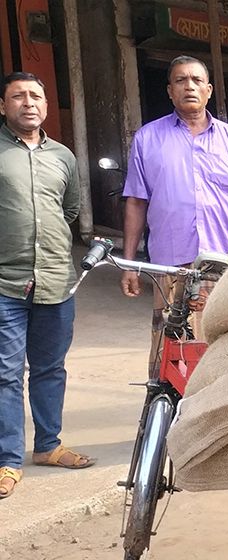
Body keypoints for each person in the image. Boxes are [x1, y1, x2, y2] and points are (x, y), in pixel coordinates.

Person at [121, 55, 228, 361]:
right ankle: (163, 408)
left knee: (222, 353)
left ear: (209, 90)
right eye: (180, 80)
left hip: (222, 268)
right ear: (169, 91)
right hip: (170, 268)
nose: (189, 86)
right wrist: (130, 263)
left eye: (197, 80)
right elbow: (136, 202)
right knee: (168, 355)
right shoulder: (147, 139)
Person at [0, 72, 94, 499]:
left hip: (55, 278)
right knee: (5, 374)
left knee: (51, 368)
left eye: (36, 95)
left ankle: (48, 446)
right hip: (5, 281)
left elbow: (71, 208)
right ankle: (8, 459)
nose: (28, 102)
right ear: (3, 106)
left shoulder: (63, 156)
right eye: (18, 96)